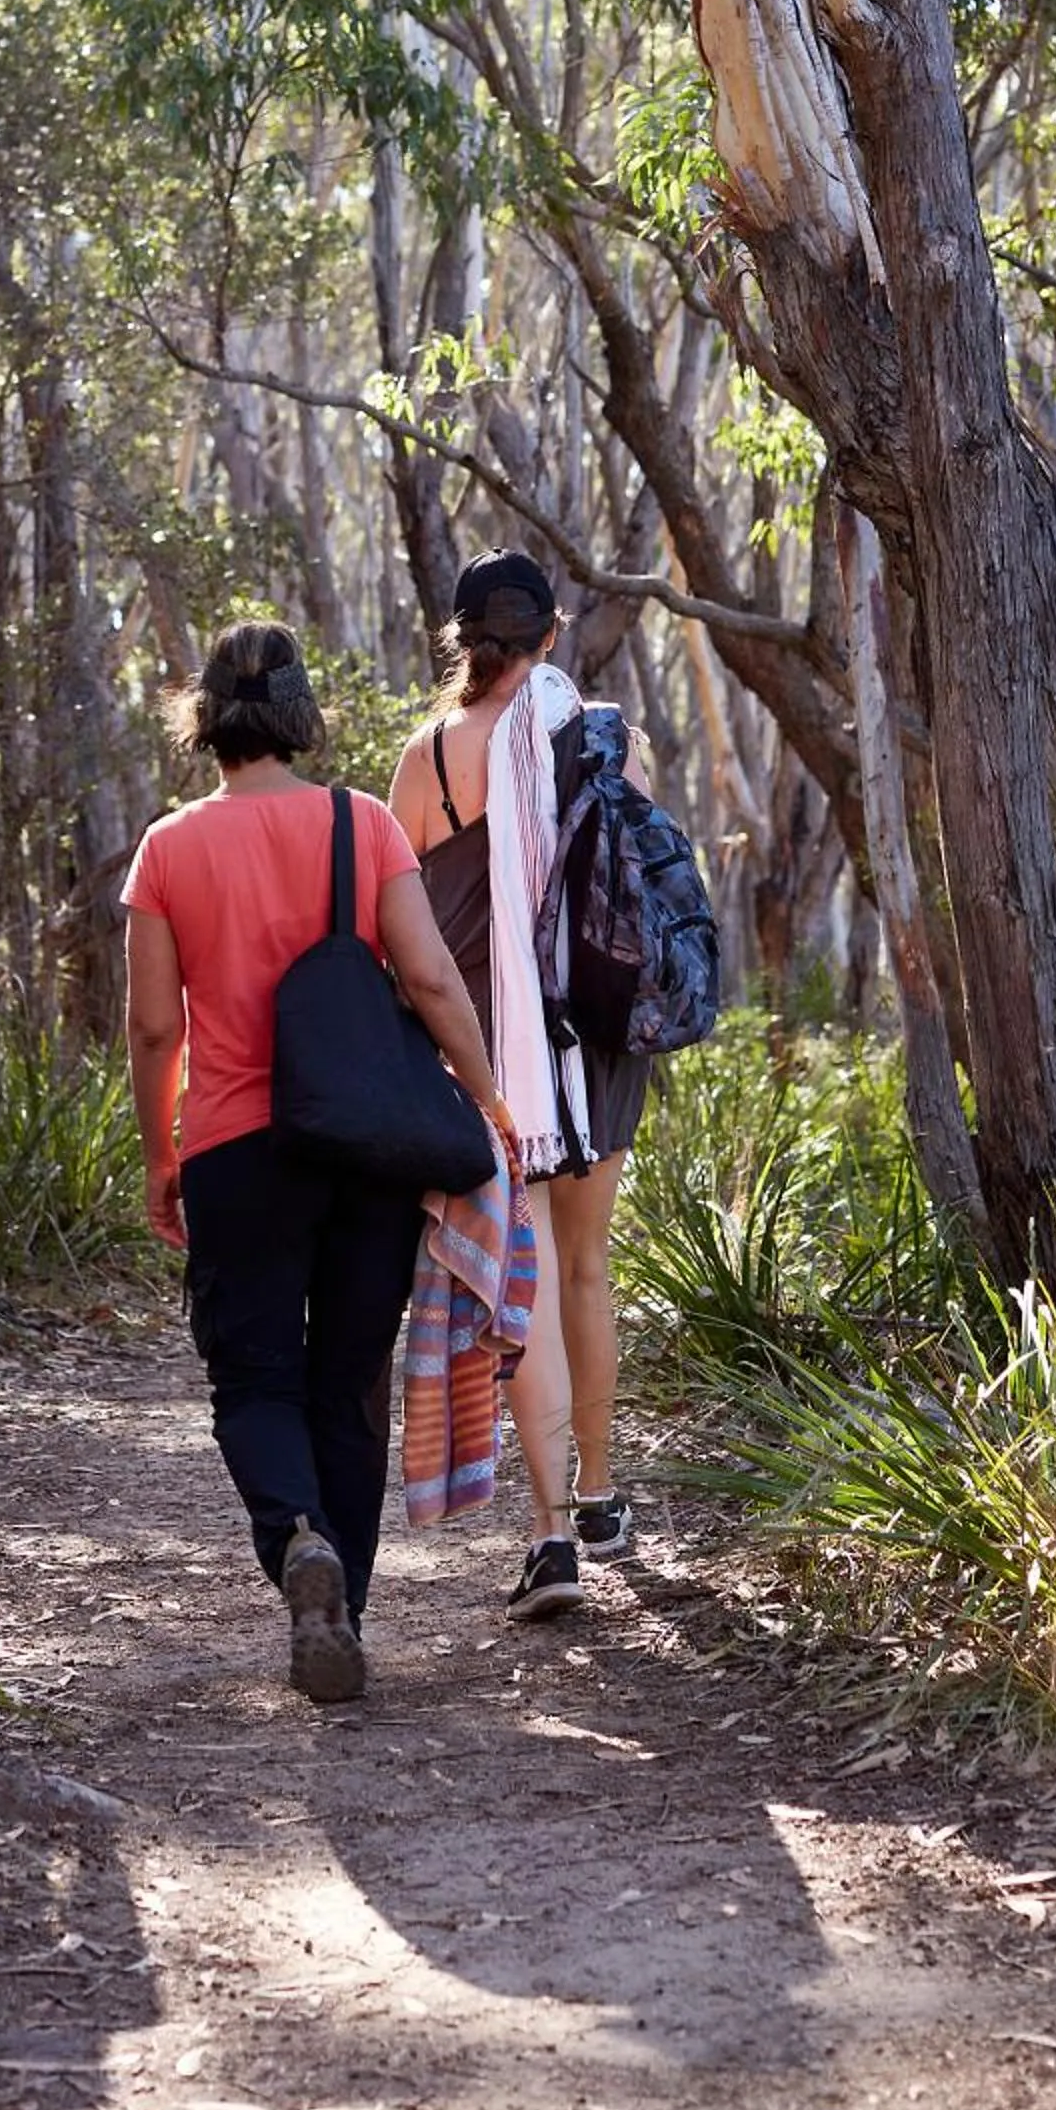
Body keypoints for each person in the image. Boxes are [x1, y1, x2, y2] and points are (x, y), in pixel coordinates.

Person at [123, 620, 516, 1706]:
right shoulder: (362, 823)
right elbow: (433, 979)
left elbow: (155, 1030)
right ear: (300, 716)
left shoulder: (168, 848)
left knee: (252, 1377)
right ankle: (343, 1598)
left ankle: (298, 1540)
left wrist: (161, 1151)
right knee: (346, 1382)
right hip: (367, 1147)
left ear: (203, 718)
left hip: (236, 1151)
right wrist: (482, 1096)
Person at [388, 551, 650, 1621]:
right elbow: (639, 879)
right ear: (549, 634)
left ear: (462, 640)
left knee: (526, 1278)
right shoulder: (601, 734)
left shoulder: (426, 760)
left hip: (490, 1054)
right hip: (594, 1039)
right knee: (584, 1266)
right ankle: (596, 1494)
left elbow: (393, 919)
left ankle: (549, 1539)